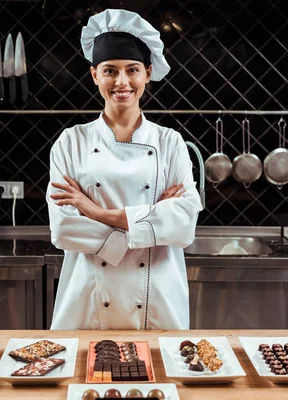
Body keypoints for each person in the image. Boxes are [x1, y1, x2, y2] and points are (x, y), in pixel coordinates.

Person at [46, 9, 203, 330]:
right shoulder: (70, 142)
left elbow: (184, 226)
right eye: (110, 70)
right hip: (88, 299)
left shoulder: (170, 143)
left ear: (147, 73)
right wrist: (154, 218)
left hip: (157, 298)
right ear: (94, 75)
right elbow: (63, 229)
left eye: (132, 70)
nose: (122, 82)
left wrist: (95, 212)